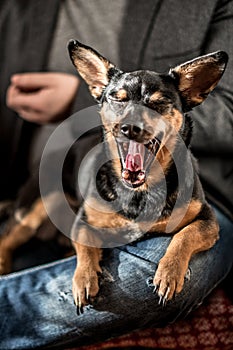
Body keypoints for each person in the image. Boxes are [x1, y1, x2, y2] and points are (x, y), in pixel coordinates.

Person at [0, 0, 232, 349]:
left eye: (155, 105)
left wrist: (75, 98)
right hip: (63, 188)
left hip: (200, 190)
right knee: (32, 233)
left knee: (151, 286)